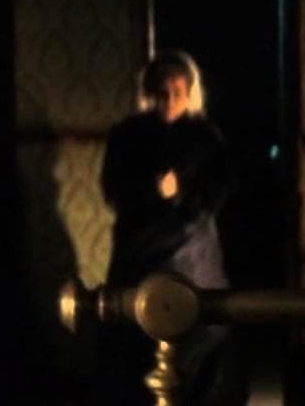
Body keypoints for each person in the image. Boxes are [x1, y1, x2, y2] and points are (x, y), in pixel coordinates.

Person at [96, 50, 242, 406]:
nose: (169, 101)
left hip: (193, 249)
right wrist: (153, 191)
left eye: (177, 93)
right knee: (134, 334)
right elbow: (113, 190)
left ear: (190, 93)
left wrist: (181, 194)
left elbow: (217, 193)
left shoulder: (206, 136)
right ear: (150, 93)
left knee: (205, 328)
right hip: (140, 248)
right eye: (162, 93)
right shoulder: (127, 135)